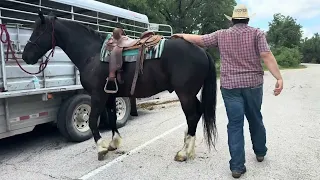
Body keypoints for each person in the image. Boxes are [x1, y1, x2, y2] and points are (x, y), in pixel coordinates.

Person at [171, 4, 283, 179]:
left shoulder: (221, 35)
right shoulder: (257, 34)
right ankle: (260, 152)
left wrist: (182, 36)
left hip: (230, 87)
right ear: (247, 19)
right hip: (253, 85)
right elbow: (267, 55)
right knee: (255, 117)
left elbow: (200, 39)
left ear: (232, 20)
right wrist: (279, 78)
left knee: (235, 125)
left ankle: (237, 167)